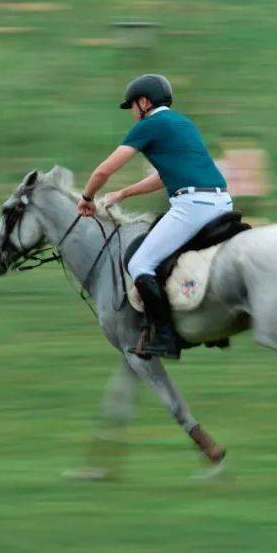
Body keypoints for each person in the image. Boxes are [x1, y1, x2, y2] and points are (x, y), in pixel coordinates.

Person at [77, 74, 233, 359]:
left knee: (140, 263)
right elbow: (163, 177)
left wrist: (86, 198)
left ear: (145, 102)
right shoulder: (184, 123)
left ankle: (165, 336)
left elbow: (103, 171)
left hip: (192, 206)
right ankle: (214, 324)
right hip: (221, 202)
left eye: (133, 107)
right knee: (186, 258)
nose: (133, 115)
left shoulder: (150, 125)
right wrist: (123, 194)